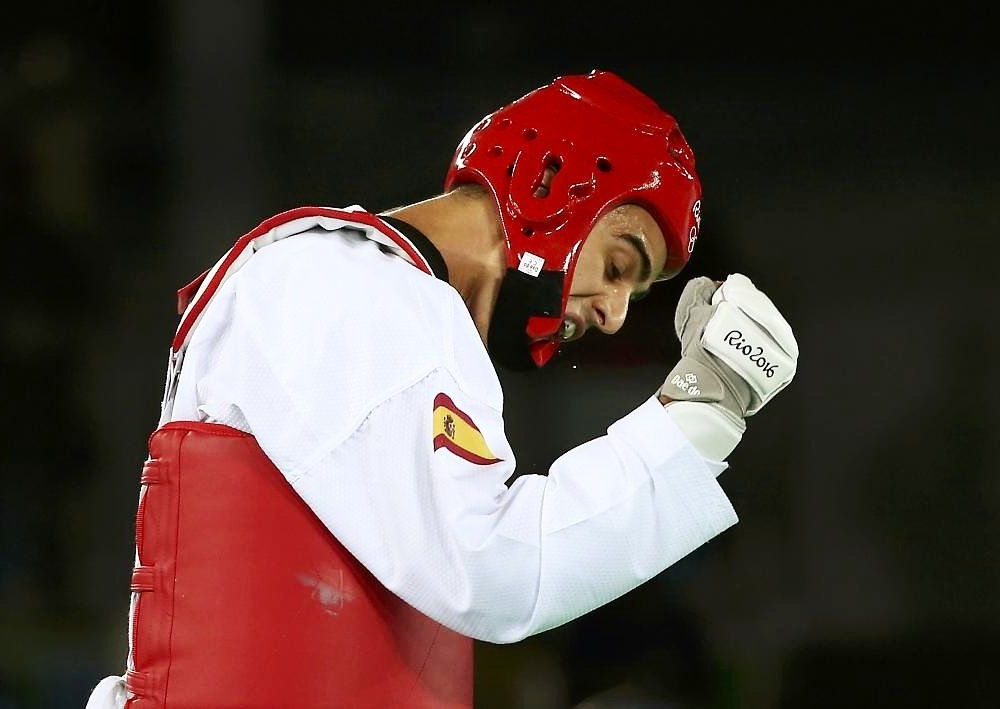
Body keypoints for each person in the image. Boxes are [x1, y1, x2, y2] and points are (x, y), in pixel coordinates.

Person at [87, 70, 798, 708]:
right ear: (553, 188)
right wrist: (700, 414)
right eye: (618, 264)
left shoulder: (387, 301)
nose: (613, 315)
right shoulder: (344, 283)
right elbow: (491, 566)